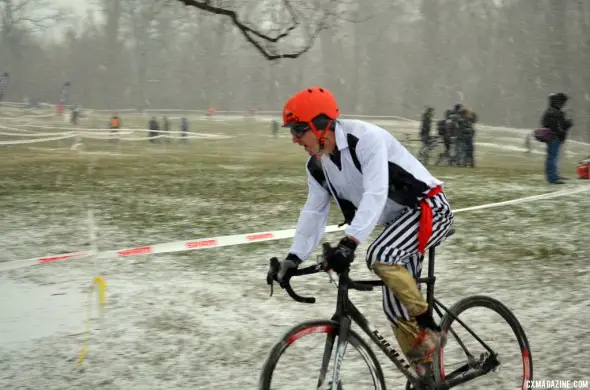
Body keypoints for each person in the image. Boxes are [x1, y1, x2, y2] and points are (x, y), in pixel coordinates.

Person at [271, 87, 454, 373]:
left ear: (321, 125)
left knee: (381, 255)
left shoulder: (365, 139)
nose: (294, 139)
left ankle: (430, 326)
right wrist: (293, 257)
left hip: (429, 210)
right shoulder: (317, 166)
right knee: (394, 310)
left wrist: (350, 242)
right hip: (398, 222)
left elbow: (376, 193)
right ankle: (426, 374)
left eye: (298, 129)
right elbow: (313, 212)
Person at [541, 92, 573, 184]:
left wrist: (566, 125)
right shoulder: (553, 111)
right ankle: (552, 178)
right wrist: (565, 126)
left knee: (554, 157)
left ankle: (555, 175)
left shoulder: (554, 111)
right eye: (563, 102)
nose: (564, 104)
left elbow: (557, 125)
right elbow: (555, 126)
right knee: (552, 157)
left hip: (555, 137)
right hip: (554, 138)